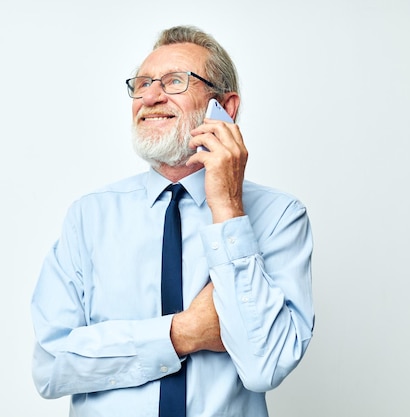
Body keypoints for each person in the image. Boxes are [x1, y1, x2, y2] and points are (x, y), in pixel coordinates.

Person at [31, 25, 314, 417]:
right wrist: (180, 334)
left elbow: (266, 364)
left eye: (174, 81)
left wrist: (228, 208)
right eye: (143, 83)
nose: (150, 96)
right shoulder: (89, 216)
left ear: (225, 108)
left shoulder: (280, 216)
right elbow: (51, 366)